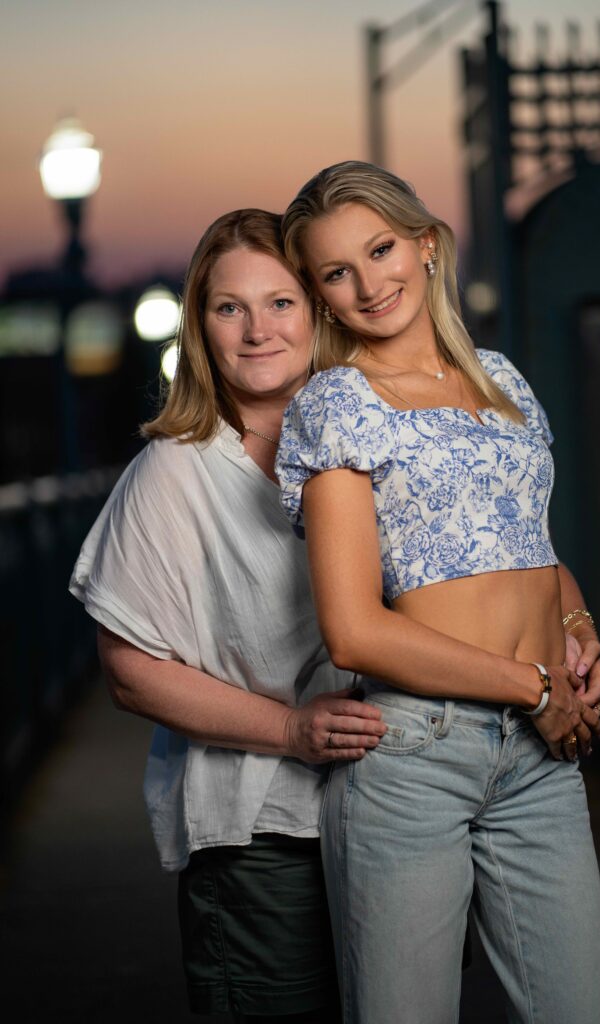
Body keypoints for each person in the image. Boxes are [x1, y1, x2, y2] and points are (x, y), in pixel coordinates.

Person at [276, 161, 600, 1024]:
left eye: (380, 248)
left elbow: (528, 549)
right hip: (416, 758)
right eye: (335, 272)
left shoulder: (501, 382)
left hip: (541, 762)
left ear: (425, 246)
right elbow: (352, 633)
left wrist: (574, 628)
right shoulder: (336, 404)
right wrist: (532, 687)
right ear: (319, 295)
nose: (367, 283)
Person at [69, 209, 389, 1024]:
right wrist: (290, 732)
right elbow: (130, 673)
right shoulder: (173, 471)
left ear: (317, 312)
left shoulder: (375, 444)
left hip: (391, 812)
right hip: (262, 837)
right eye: (228, 308)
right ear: (200, 325)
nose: (256, 332)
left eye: (279, 303)